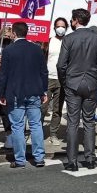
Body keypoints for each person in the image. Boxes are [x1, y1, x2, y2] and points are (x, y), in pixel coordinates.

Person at [57, 8, 97, 171]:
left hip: (73, 82)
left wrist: (65, 82)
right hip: (90, 82)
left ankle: (72, 161)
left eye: (72, 20)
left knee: (72, 122)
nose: (71, 22)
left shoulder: (69, 38)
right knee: (89, 122)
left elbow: (61, 64)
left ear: (76, 20)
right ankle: (90, 159)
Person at [0, 21, 48, 168]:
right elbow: (43, 72)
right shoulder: (37, 49)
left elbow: (3, 74)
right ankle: (39, 157)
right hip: (34, 91)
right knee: (36, 125)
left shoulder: (8, 50)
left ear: (13, 33)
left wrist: (1, 93)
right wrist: (43, 90)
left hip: (15, 92)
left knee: (18, 126)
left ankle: (20, 159)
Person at [44, 17, 68, 146]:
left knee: (57, 109)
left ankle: (53, 134)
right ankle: (39, 132)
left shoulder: (68, 42)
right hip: (48, 78)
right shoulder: (48, 42)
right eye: (58, 26)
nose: (61, 28)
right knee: (43, 107)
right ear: (54, 27)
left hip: (61, 80)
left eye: (63, 26)